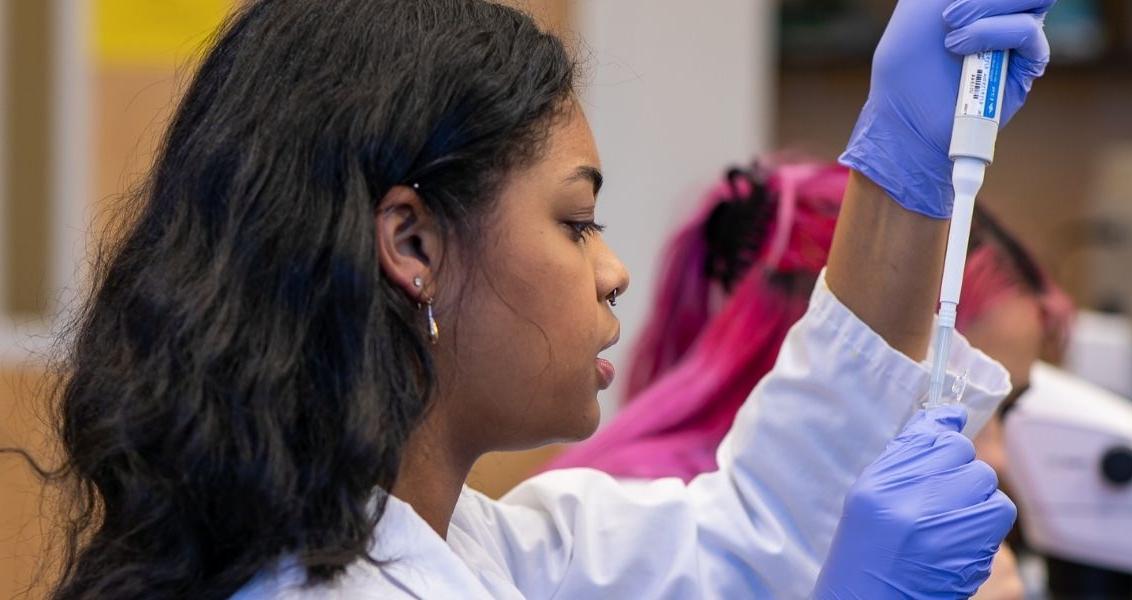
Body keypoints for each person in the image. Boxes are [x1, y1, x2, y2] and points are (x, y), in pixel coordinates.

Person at [31, 0, 1053, 598]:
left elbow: (762, 528)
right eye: (574, 222)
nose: (611, 271)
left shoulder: (495, 551)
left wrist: (907, 160)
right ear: (413, 242)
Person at [544, 159, 1074, 598]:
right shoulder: (623, 532)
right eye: (948, 395)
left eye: (1006, 410)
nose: (999, 457)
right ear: (818, 352)